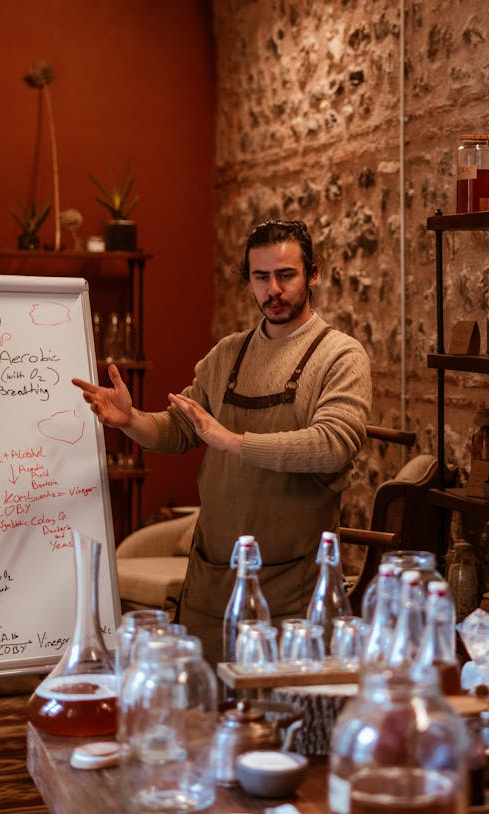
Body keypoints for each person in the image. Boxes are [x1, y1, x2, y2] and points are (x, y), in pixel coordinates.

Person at [73, 220, 371, 664]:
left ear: (313, 274)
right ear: (248, 280)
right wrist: (130, 420)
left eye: (286, 275)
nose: (274, 289)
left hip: (293, 586)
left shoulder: (340, 355)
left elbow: (333, 443)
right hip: (213, 580)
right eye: (261, 277)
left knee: (282, 717)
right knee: (202, 714)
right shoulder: (228, 355)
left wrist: (233, 441)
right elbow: (178, 429)